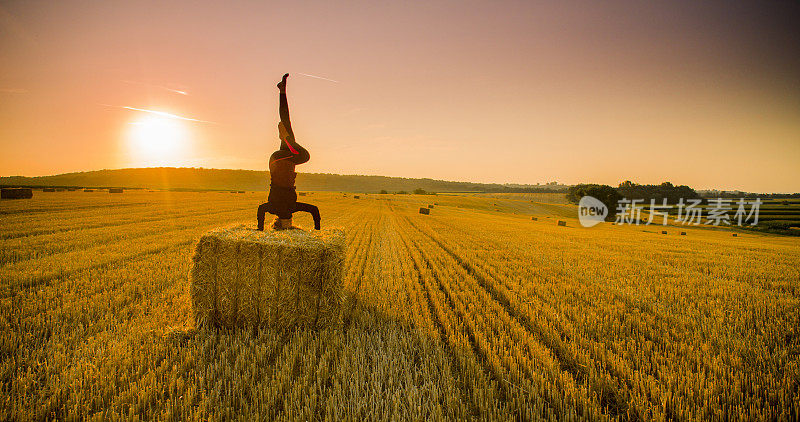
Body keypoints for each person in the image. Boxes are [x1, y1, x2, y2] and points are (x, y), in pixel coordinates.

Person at [257, 73, 321, 231]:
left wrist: (260, 230)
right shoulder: (280, 208)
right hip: (279, 162)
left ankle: (285, 138)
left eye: (289, 225)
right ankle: (282, 91)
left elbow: (314, 211)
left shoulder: (284, 208)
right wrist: (317, 232)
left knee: (305, 156)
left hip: (280, 162)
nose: (291, 224)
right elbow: (260, 209)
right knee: (287, 122)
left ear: (280, 223)